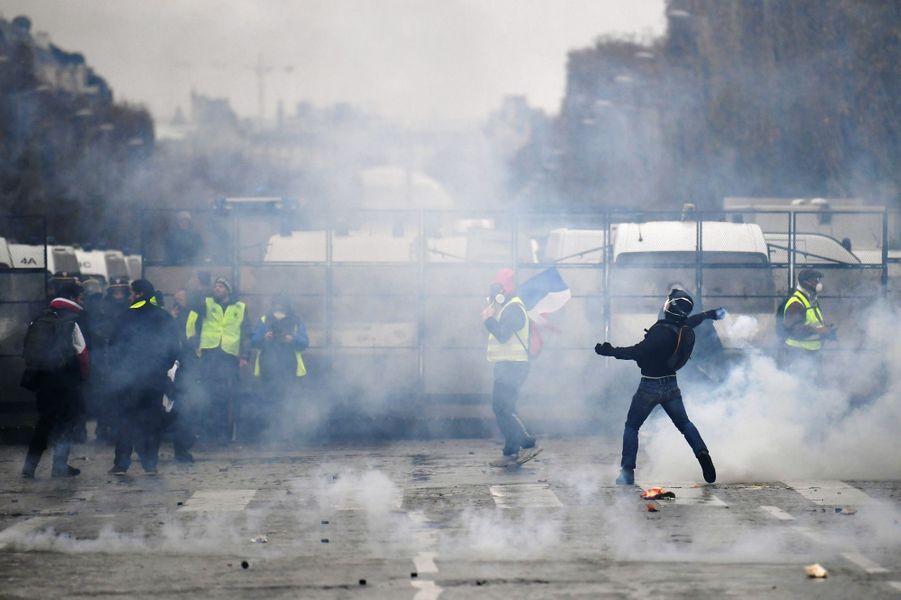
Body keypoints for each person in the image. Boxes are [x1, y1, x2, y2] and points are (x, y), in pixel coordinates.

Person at [595, 289, 725, 485]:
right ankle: (702, 453)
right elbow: (694, 320)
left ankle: (627, 472)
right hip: (671, 386)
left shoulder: (660, 332)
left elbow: (638, 351)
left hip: (650, 386)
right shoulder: (681, 327)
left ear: (670, 308)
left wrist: (611, 351)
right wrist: (709, 314)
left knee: (632, 426)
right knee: (685, 424)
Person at [108, 280, 180, 475]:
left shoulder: (126, 316)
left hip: (130, 378)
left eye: (132, 293)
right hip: (155, 378)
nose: (130, 296)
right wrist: (163, 367)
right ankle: (150, 463)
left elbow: (114, 345)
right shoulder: (164, 317)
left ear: (138, 294)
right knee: (152, 421)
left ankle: (121, 463)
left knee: (127, 420)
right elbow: (174, 347)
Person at [21, 281, 90, 478]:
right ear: (74, 298)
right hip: (66, 381)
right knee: (65, 425)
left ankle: (29, 467)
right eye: (80, 297)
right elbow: (82, 354)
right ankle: (59, 466)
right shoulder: (75, 319)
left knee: (44, 423)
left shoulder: (41, 317)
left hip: (43, 380)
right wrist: (83, 379)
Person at [481, 268, 541, 467]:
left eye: (496, 288)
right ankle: (512, 451)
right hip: (507, 365)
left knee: (502, 408)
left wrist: (488, 320)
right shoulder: (507, 307)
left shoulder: (514, 308)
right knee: (505, 408)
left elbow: (503, 334)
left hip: (513, 366)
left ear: (503, 289)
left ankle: (525, 444)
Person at [185, 277, 251, 443]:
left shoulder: (240, 307)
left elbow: (246, 334)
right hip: (209, 353)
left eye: (221, 286)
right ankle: (206, 433)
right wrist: (193, 342)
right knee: (206, 394)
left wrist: (244, 356)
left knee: (225, 396)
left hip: (229, 355)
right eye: (215, 286)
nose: (217, 289)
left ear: (228, 290)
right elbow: (193, 320)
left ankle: (222, 434)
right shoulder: (205, 302)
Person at [250, 295, 309, 436]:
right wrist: (265, 337)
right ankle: (269, 433)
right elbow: (254, 340)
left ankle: (287, 433)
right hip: (268, 367)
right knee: (268, 401)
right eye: (276, 305)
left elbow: (305, 342)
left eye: (281, 306)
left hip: (289, 367)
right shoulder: (264, 320)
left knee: (288, 401)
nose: (278, 309)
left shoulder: (296, 321)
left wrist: (293, 338)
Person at [780, 269, 834, 364]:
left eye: (818, 280)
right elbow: (793, 329)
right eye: (814, 280)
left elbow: (813, 321)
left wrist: (826, 330)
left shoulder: (811, 300)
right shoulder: (796, 303)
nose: (818, 283)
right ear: (804, 283)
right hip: (797, 354)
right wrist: (818, 330)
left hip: (809, 353)